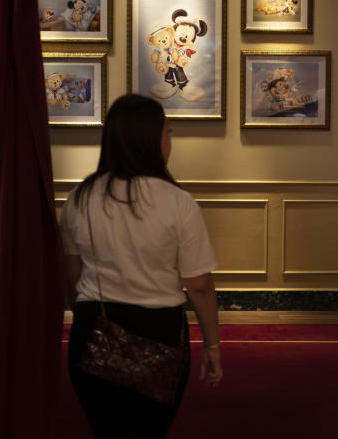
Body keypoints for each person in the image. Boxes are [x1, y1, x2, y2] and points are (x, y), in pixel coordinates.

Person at [60, 93, 223, 438]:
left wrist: (91, 315)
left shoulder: (80, 197)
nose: (170, 140)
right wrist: (212, 344)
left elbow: (72, 277)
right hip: (159, 332)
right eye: (168, 131)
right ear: (151, 139)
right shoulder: (177, 203)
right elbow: (199, 286)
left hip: (93, 330)